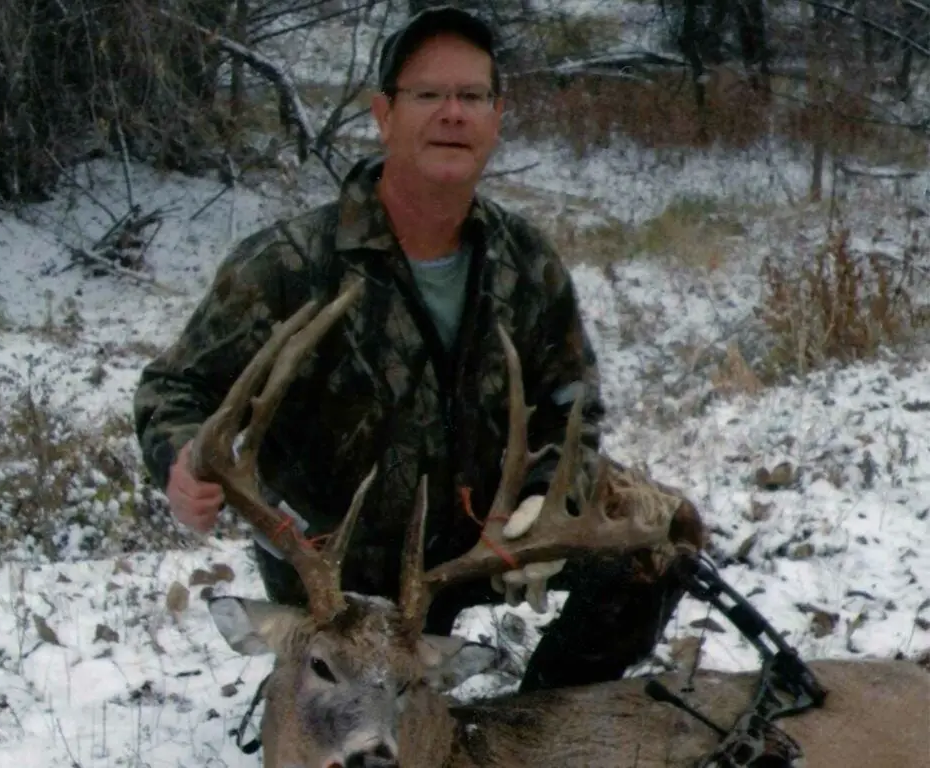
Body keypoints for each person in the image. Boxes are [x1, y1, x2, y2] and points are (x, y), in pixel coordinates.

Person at [133, 4, 703, 693]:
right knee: (364, 722)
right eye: (428, 95)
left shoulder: (526, 261)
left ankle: (539, 726)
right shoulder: (290, 265)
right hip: (335, 578)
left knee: (658, 544)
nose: (452, 114)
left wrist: (539, 501)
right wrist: (183, 459)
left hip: (484, 550)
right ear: (384, 114)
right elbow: (175, 391)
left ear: (497, 116)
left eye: (471, 97)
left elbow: (573, 405)